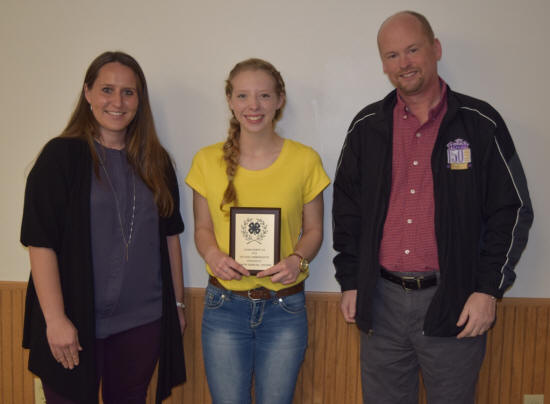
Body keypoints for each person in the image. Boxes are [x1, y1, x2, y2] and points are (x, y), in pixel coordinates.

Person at [333, 11, 533, 404]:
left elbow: (512, 210)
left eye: (412, 50)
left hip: (455, 300)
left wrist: (487, 290)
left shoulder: (480, 123)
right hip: (381, 303)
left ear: (435, 49)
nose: (403, 63)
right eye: (392, 55)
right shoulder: (367, 126)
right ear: (383, 64)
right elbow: (347, 211)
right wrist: (351, 281)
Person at [20, 51, 186, 404]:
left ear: (139, 100)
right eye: (107, 89)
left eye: (128, 92)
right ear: (88, 93)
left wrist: (178, 305)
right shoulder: (60, 157)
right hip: (73, 320)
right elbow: (40, 243)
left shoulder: (157, 162)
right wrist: (55, 320)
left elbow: (170, 237)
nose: (117, 102)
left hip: (142, 321)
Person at [186, 58, 330, 404]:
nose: (254, 105)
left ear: (280, 100)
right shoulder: (206, 160)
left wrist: (297, 260)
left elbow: (314, 230)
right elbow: (202, 229)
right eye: (243, 95)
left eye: (264, 95)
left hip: (285, 307)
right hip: (223, 305)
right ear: (230, 100)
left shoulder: (305, 160)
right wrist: (212, 255)